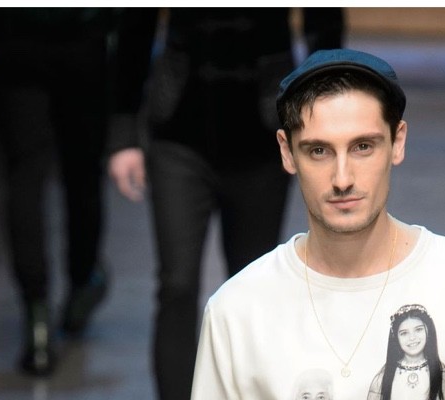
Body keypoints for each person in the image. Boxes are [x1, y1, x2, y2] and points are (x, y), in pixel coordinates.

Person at [191, 49, 445, 399]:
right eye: (319, 151)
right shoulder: (237, 313)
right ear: (287, 152)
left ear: (398, 142)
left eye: (363, 147)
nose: (342, 179)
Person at [107, 8, 343, 400]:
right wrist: (123, 132)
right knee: (177, 285)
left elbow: (324, 20)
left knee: (252, 287)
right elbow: (137, 19)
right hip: (179, 129)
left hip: (263, 132)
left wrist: (324, 111)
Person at [0, 8, 121, 376]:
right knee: (82, 173)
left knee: (24, 177)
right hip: (82, 40)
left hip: (16, 41)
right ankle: (81, 286)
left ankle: (36, 318)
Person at [367, 304, 445, 400]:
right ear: (396, 337)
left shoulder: (440, 372)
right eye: (404, 333)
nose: (412, 337)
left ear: (428, 331)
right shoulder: (385, 375)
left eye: (418, 330)